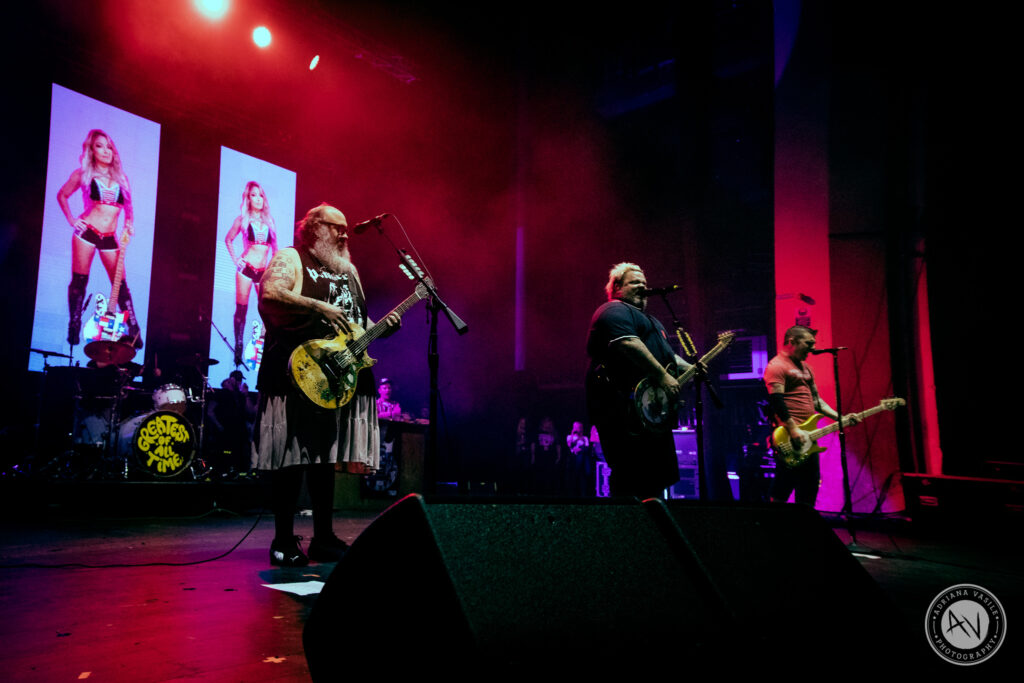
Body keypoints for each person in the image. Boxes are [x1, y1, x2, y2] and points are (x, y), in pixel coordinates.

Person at [253, 203, 400, 566]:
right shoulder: (291, 257)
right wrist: (319, 308)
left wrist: (382, 327)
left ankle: (323, 538)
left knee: (324, 459)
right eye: (337, 228)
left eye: (347, 228)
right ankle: (283, 540)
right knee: (291, 458)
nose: (345, 234)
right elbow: (269, 294)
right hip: (296, 372)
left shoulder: (349, 271)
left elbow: (355, 325)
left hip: (337, 377)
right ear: (315, 228)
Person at [585, 263, 691, 499]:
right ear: (617, 287)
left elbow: (668, 356)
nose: (643, 286)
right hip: (622, 407)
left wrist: (693, 368)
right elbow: (627, 343)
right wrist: (663, 376)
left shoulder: (654, 322)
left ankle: (653, 526)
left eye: (644, 282)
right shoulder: (613, 310)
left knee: (655, 477)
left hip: (650, 411)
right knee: (629, 473)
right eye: (635, 282)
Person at [57, 129, 142, 349]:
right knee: (79, 281)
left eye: (109, 147)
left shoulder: (122, 178)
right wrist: (71, 219)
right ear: (91, 150)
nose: (105, 151)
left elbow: (129, 208)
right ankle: (74, 324)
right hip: (86, 233)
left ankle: (133, 329)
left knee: (121, 285)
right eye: (99, 146)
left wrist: (129, 224)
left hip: (110, 237)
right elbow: (62, 195)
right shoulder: (82, 174)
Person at [763, 325, 857, 506]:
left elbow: (817, 402)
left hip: (808, 436)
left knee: (809, 486)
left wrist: (840, 418)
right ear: (792, 342)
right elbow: (776, 400)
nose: (813, 348)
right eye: (809, 343)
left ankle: (804, 528)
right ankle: (774, 527)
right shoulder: (777, 366)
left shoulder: (806, 368)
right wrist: (793, 429)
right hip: (790, 436)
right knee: (783, 486)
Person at [225, 181, 278, 367]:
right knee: (242, 310)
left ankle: (264, 343)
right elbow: (228, 240)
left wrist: (274, 269)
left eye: (261, 195)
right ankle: (238, 344)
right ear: (248, 198)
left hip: (263, 272)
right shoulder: (241, 220)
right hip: (246, 270)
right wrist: (235, 260)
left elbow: (275, 249)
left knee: (267, 310)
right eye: (254, 195)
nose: (258, 199)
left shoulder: (270, 222)